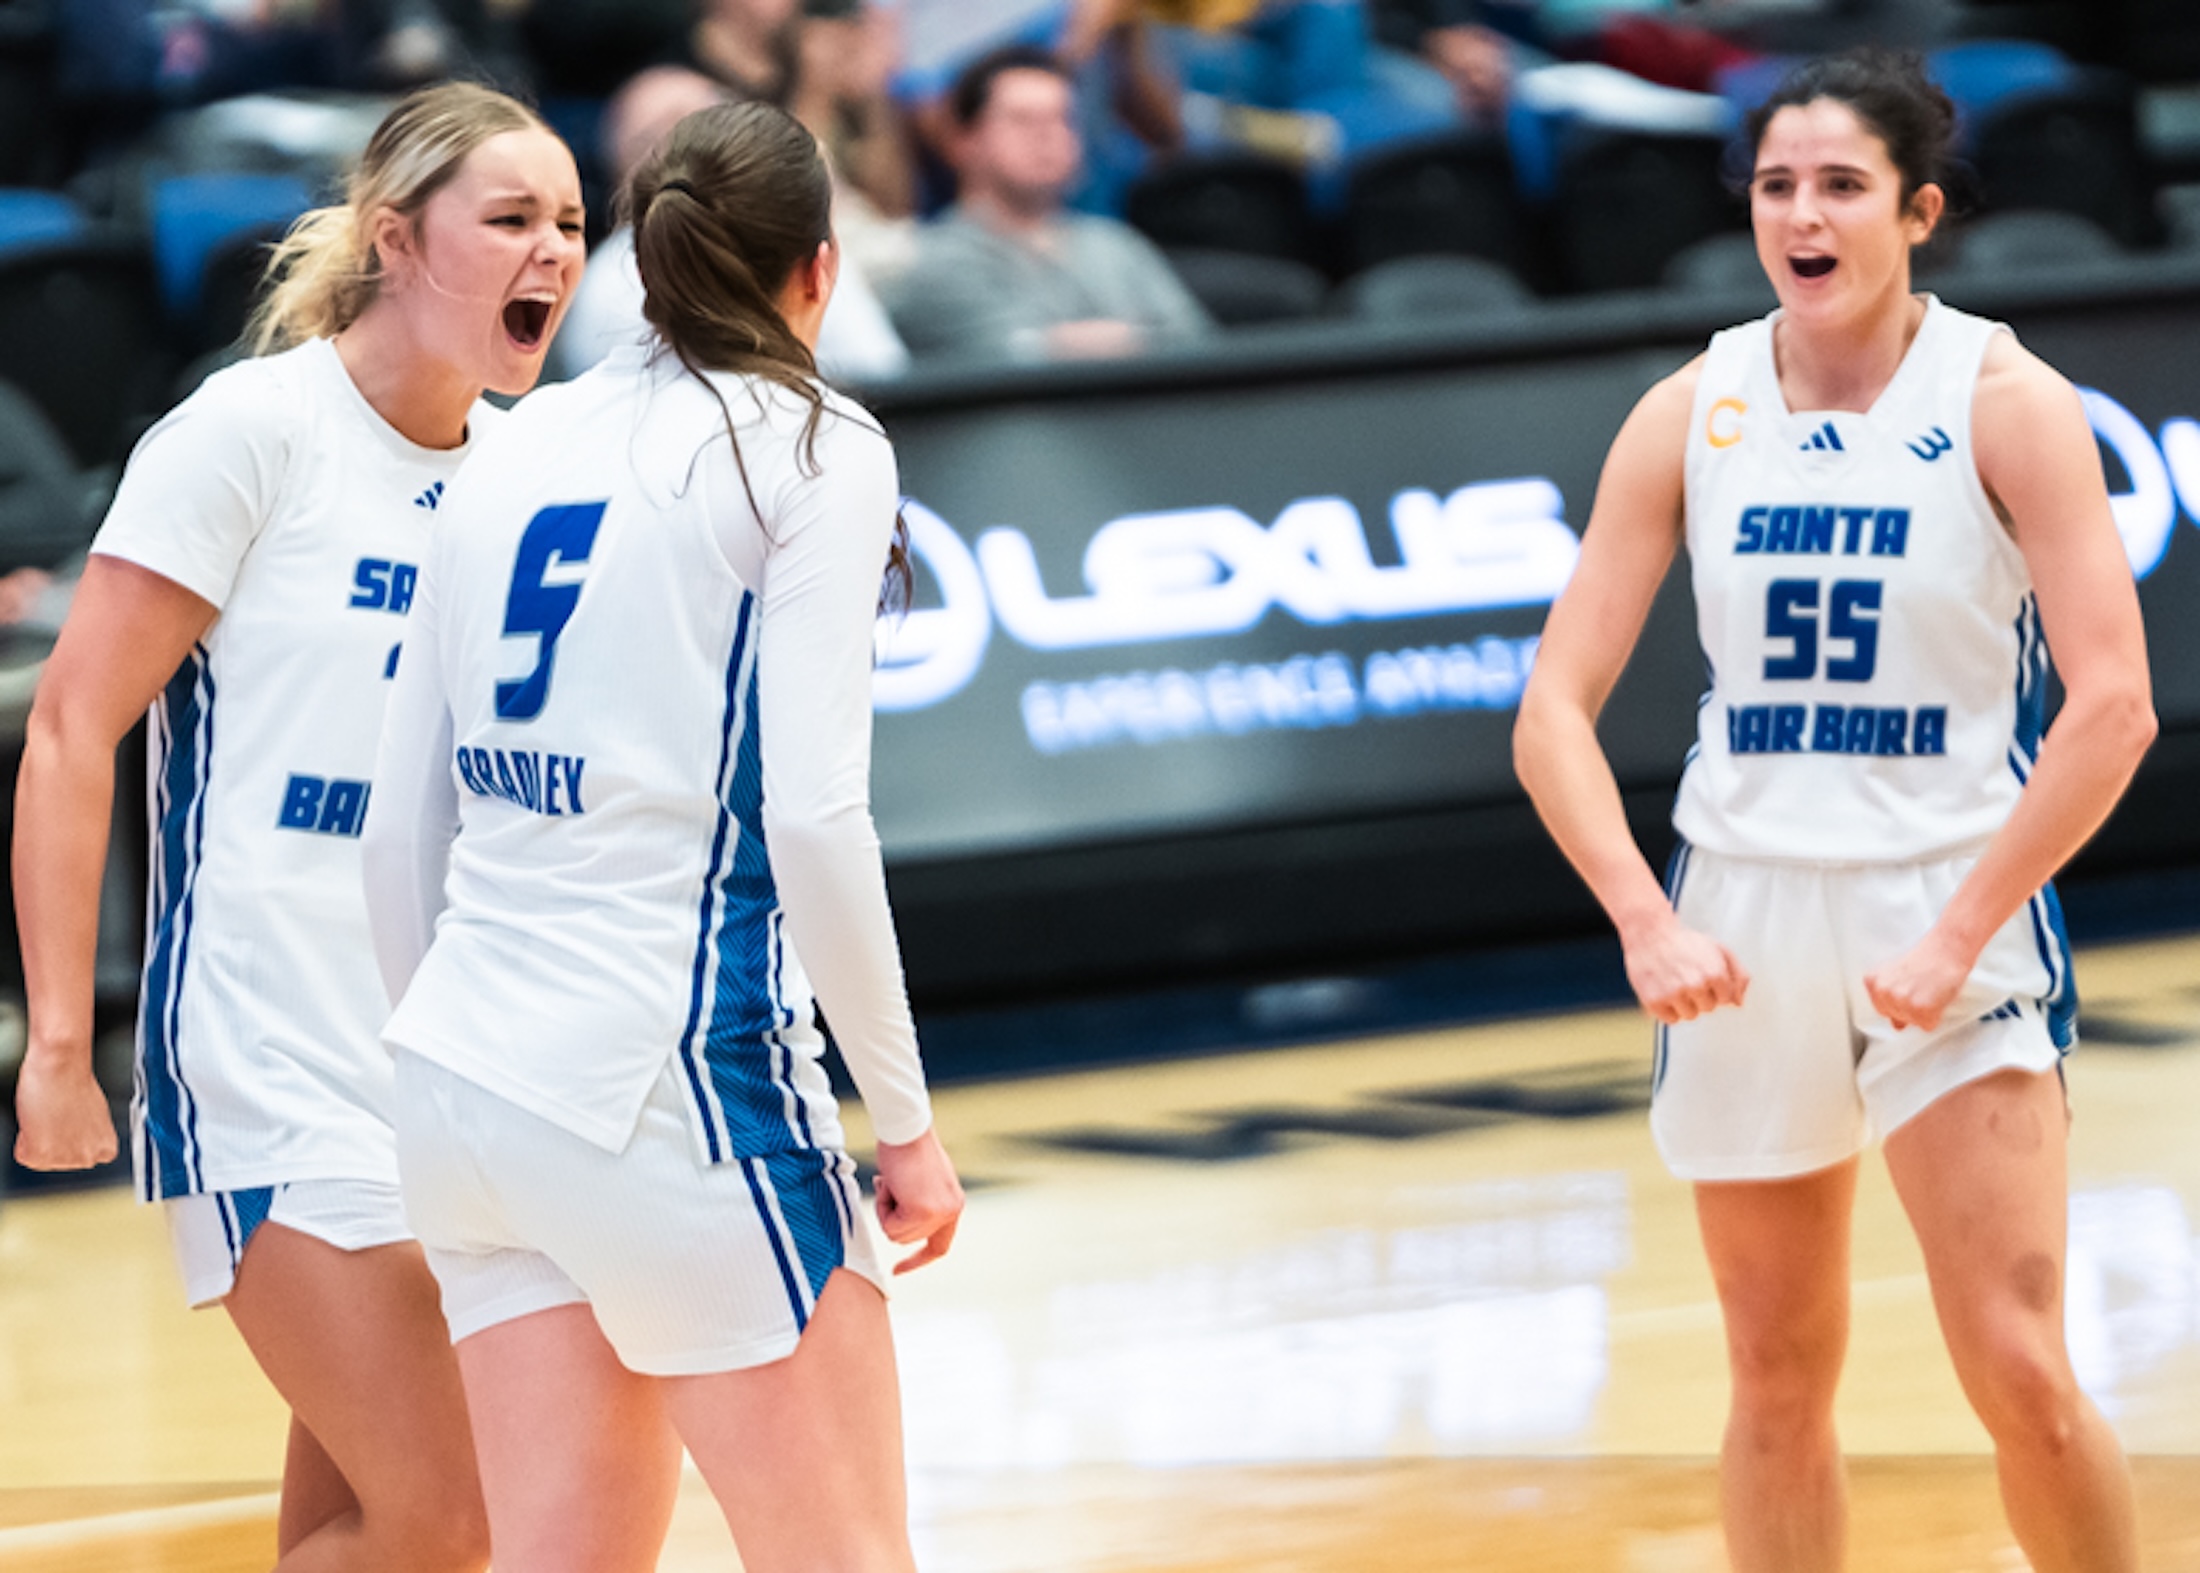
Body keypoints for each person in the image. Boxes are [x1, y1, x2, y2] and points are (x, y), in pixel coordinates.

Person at [1513, 49, 2147, 1573]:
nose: (1802, 214)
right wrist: (1647, 918)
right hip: (1742, 914)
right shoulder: (1693, 404)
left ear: (1918, 210)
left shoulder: (2006, 399)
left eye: (1842, 185)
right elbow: (1550, 712)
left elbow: (2113, 704)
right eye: (1777, 186)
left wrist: (1963, 929)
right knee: (1776, 1381)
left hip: (1949, 897)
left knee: (2020, 1367)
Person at [360, 99, 964, 1573]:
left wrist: (462, 1038)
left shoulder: (510, 440)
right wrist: (909, 1124)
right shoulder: (810, 443)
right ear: (817, 274)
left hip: (462, 1085)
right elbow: (815, 819)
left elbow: (395, 824)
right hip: (665, 1083)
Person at [10, 81, 585, 1568]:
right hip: (269, 1057)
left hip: (453, 1077)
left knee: (358, 1526)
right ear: (395, 239)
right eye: (511, 218)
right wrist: (66, 1049)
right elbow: (74, 726)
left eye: (572, 223)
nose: (553, 253)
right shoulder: (253, 431)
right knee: (453, 1523)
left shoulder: (532, 474)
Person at [549, 63, 911, 386]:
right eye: (662, 130)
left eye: (706, 117)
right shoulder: (613, 281)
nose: (684, 138)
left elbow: (880, 369)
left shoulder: (792, 237)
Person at [883, 43, 1213, 363]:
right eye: (1022, 120)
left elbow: (1201, 349)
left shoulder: (1116, 244)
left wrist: (1071, 342)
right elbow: (1007, 363)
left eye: (1061, 119)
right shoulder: (937, 262)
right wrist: (1134, 339)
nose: (1047, 136)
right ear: (963, 140)